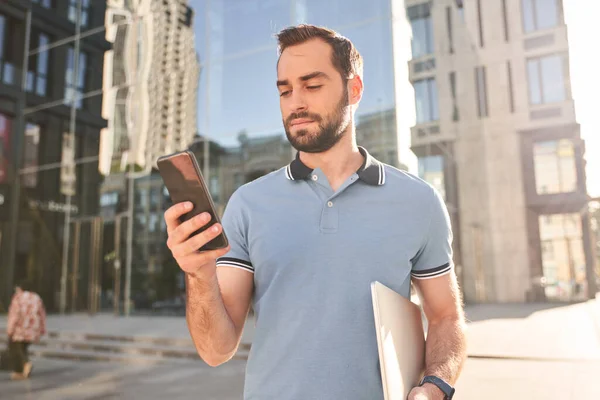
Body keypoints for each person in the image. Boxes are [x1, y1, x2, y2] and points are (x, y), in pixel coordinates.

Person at [164, 24, 467, 400]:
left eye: (312, 85)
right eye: (285, 90)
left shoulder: (419, 202)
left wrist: (436, 385)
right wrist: (199, 275)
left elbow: (446, 317)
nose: (295, 102)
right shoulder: (247, 203)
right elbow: (216, 350)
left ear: (353, 90)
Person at [3, 281, 46, 380]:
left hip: (20, 329)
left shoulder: (18, 297)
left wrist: (10, 329)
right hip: (33, 329)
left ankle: (25, 365)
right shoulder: (36, 298)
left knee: (16, 347)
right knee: (23, 348)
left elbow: (14, 314)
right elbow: (42, 314)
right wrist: (42, 329)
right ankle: (22, 371)